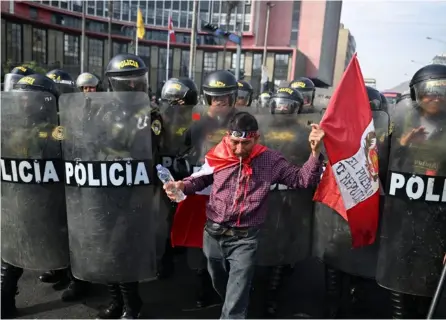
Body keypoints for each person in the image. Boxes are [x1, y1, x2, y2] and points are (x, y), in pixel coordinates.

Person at [164, 111, 325, 319]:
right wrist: (182, 186)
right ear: (227, 138)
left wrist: (315, 152)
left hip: (245, 239)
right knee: (220, 283)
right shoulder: (218, 154)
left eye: (246, 143)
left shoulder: (270, 160)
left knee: (234, 301)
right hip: (213, 234)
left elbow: (302, 180)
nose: (239, 150)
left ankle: (236, 307)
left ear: (256, 138)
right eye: (235, 142)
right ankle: (239, 298)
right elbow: (200, 181)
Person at [1, 73, 66, 319]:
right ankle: (4, 299)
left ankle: (70, 279)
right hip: (20, 195)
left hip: (47, 194)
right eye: (23, 98)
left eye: (31, 98)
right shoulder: (9, 125)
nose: (26, 102)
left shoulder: (55, 127)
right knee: (14, 249)